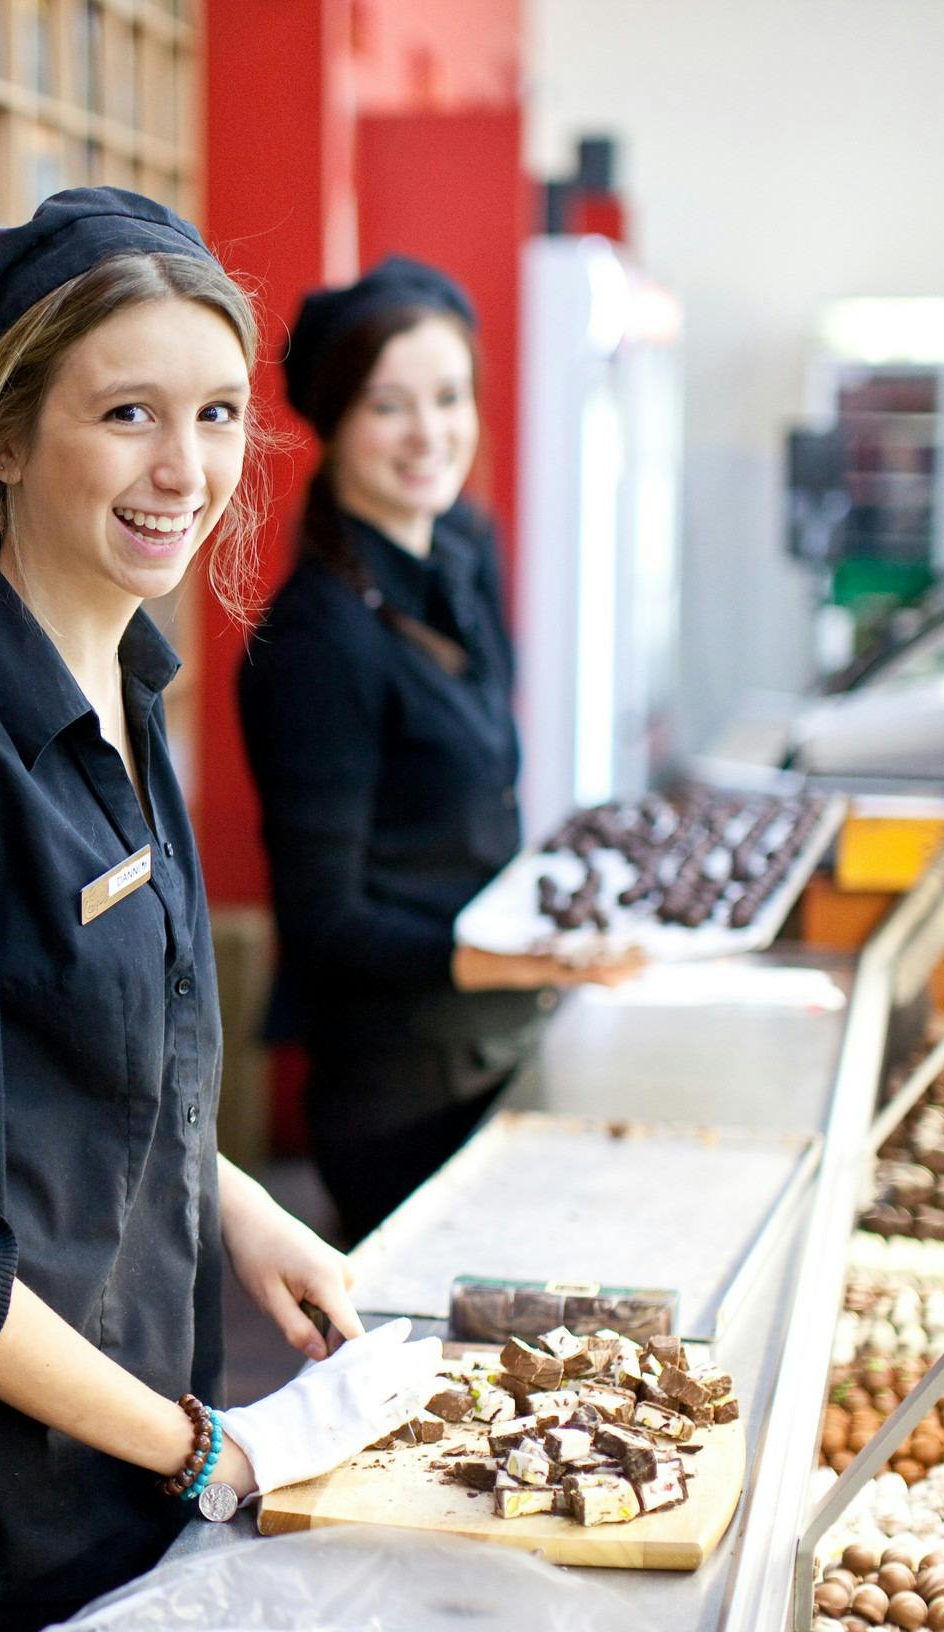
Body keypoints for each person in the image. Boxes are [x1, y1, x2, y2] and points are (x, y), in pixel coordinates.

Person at [0, 190, 447, 1632]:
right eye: (129, 414)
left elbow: (89, 1074)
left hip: (130, 1464)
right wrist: (205, 1448)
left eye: (216, 415)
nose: (186, 468)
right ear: (4, 439)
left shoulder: (130, 683)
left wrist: (243, 1208)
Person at [236, 258, 637, 1246]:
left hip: (501, 1041)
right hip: (399, 1094)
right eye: (388, 406)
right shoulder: (315, 643)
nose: (430, 434)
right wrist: (523, 956)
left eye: (449, 397)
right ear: (333, 422)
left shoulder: (461, 553)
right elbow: (325, 926)